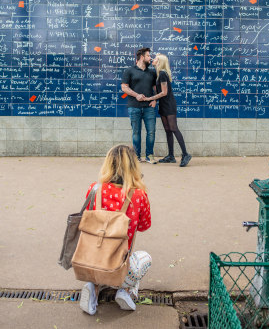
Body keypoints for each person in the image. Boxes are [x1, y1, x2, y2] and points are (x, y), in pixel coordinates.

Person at [79, 144, 152, 316]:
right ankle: (125, 291)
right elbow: (144, 226)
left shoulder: (94, 189)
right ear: (134, 167)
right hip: (119, 267)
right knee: (145, 258)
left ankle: (93, 287)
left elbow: (85, 216)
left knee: (98, 258)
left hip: (90, 262)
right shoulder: (139, 195)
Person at [145, 53, 191, 167]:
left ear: (160, 62)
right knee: (168, 130)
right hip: (164, 105)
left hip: (169, 105)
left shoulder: (163, 74)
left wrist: (151, 98)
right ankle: (171, 156)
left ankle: (185, 154)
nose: (153, 59)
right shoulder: (159, 74)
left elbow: (164, 92)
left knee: (174, 128)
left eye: (155, 58)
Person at [121, 48, 158, 164]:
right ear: (142, 57)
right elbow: (124, 87)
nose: (150, 58)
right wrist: (136, 95)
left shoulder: (152, 72)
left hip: (149, 107)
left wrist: (155, 100)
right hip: (134, 106)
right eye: (148, 56)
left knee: (151, 132)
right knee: (136, 132)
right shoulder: (129, 70)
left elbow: (156, 88)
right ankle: (136, 157)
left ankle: (149, 156)